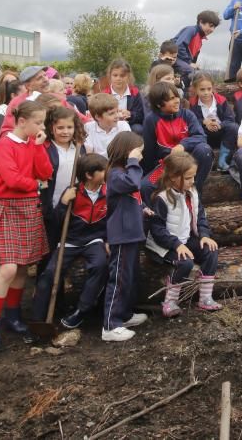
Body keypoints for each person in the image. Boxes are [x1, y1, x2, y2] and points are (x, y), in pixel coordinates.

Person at [0, 101, 52, 351]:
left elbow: (45, 171)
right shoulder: (5, 145)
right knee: (7, 269)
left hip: (28, 208)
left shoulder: (33, 143)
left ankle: (12, 315)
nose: (42, 127)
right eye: (38, 122)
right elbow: (12, 179)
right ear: (22, 122)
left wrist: (39, 148)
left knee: (21, 267)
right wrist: (36, 185)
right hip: (8, 207)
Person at [32, 153, 110, 330]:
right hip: (70, 241)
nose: (107, 174)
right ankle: (37, 320)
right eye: (103, 171)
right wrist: (63, 203)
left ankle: (81, 311)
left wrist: (107, 240)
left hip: (94, 240)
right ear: (89, 175)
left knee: (100, 265)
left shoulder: (108, 192)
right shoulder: (72, 192)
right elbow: (56, 221)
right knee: (49, 274)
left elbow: (111, 219)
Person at [145, 151, 222, 317]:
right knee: (185, 263)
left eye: (193, 177)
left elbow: (200, 216)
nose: (192, 181)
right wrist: (176, 245)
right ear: (173, 177)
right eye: (188, 178)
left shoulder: (192, 193)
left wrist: (204, 234)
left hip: (185, 239)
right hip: (164, 245)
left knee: (211, 251)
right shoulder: (162, 198)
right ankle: (170, 301)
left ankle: (205, 298)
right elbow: (157, 230)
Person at [101, 132, 150, 342]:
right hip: (121, 235)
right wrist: (133, 160)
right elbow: (133, 184)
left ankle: (124, 314)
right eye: (139, 150)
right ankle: (110, 325)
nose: (141, 155)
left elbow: (132, 196)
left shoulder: (125, 172)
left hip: (131, 233)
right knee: (119, 279)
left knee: (128, 278)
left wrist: (144, 208)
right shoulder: (115, 174)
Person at [141, 82, 213, 197]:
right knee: (145, 186)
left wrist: (182, 145)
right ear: (159, 104)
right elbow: (149, 152)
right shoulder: (151, 120)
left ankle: (194, 194)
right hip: (167, 165)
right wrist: (147, 173)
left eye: (176, 97)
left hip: (189, 161)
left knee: (205, 150)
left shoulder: (187, 115)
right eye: (171, 99)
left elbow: (201, 136)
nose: (176, 101)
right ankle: (159, 213)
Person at [40, 106, 88, 263]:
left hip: (74, 204)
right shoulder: (46, 149)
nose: (65, 131)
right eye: (60, 128)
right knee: (50, 249)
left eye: (69, 127)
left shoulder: (79, 149)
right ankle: (47, 282)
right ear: (51, 128)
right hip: (52, 205)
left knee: (66, 248)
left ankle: (62, 278)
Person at [188, 72, 238, 172]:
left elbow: (230, 119)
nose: (206, 92)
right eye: (202, 89)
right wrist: (204, 122)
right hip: (205, 135)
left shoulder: (221, 100)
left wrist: (220, 124)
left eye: (209, 89)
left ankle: (223, 161)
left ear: (213, 88)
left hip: (221, 134)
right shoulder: (192, 103)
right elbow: (190, 121)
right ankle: (207, 160)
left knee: (234, 127)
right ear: (195, 89)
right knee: (195, 132)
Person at [173, 10, 220, 88]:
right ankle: (184, 91)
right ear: (201, 22)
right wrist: (189, 63)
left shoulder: (200, 41)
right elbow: (179, 46)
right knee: (191, 71)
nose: (212, 30)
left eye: (214, 27)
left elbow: (193, 58)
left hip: (183, 62)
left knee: (199, 74)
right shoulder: (191, 30)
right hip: (174, 58)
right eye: (211, 25)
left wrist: (193, 65)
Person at [0, 65, 49, 136]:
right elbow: (6, 131)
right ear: (28, 86)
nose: (46, 79)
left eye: (45, 75)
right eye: (39, 78)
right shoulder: (17, 103)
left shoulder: (57, 98)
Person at [100, 59, 144, 134]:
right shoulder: (105, 94)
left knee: (138, 129)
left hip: (130, 124)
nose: (118, 78)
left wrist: (130, 114)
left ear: (128, 76)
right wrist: (113, 115)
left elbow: (140, 115)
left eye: (122, 76)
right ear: (110, 76)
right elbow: (100, 115)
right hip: (110, 125)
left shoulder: (135, 92)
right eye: (115, 75)